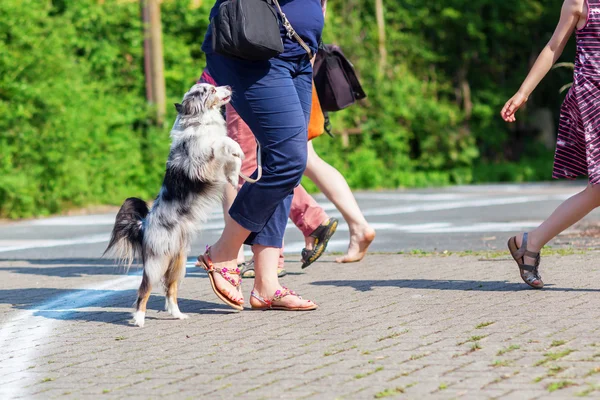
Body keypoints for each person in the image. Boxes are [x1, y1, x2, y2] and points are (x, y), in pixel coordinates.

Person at [195, 0, 324, 310]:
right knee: (289, 159)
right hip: (253, 48)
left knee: (285, 164)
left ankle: (267, 284)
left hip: (299, 53)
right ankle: (223, 251)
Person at [501, 0, 600, 289]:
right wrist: (523, 93)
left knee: (597, 191)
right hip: (594, 98)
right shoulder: (579, 2)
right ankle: (530, 243)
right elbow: (553, 48)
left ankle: (529, 243)